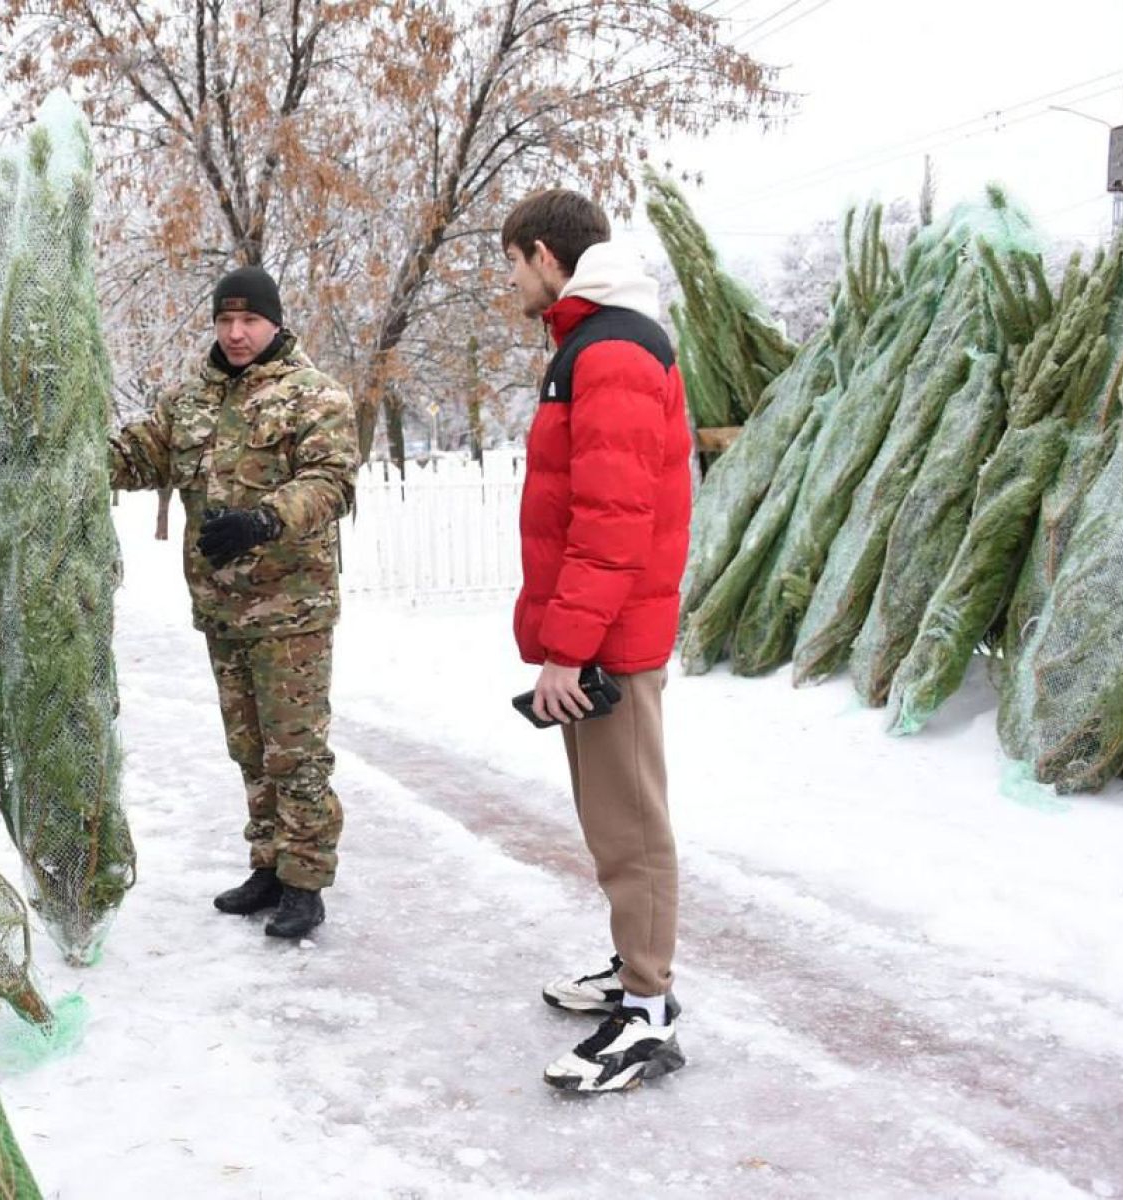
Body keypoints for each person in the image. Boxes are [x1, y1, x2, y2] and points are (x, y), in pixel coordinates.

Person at [500, 190, 693, 1092]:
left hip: (609, 641)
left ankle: (647, 1015)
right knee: (611, 822)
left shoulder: (610, 349)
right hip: (600, 634)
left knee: (630, 828)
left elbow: (612, 521)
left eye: (510, 263)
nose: (509, 282)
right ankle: (633, 972)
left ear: (544, 255)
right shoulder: (593, 343)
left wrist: (566, 648)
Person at [109, 266, 357, 940]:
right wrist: (69, 449)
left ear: (274, 321)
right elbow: (137, 455)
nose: (236, 333)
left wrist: (266, 519)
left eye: (248, 321)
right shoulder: (192, 400)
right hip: (222, 609)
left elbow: (330, 480)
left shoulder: (314, 397)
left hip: (290, 609)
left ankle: (305, 880)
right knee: (249, 746)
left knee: (295, 750)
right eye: (225, 321)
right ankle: (268, 864)